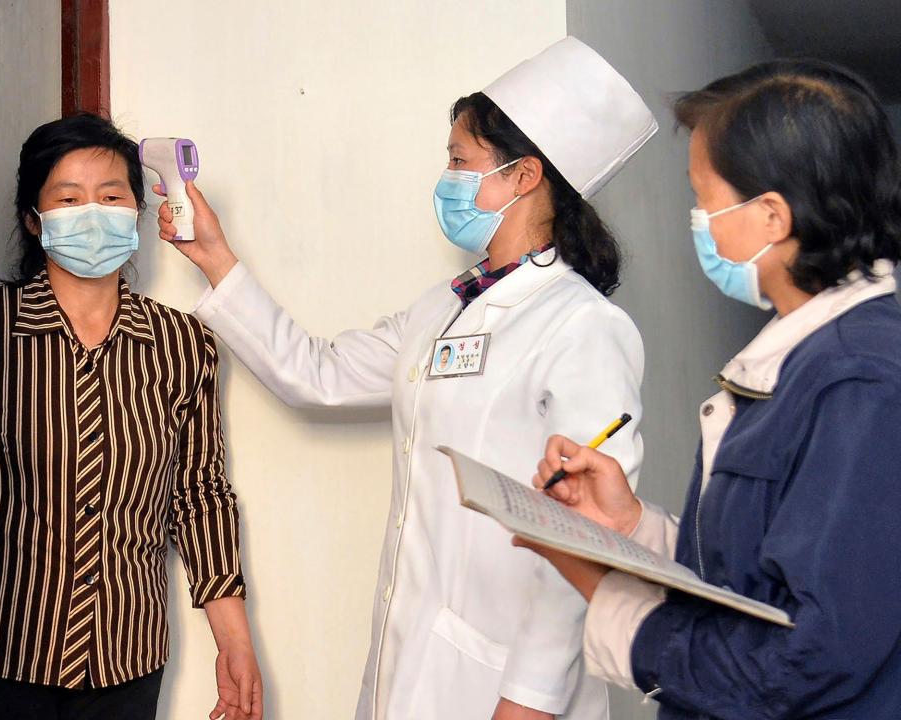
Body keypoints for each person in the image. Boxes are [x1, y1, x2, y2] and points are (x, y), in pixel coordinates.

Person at [158, 38, 656, 720]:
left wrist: (531, 700)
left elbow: (582, 536)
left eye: (459, 159)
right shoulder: (443, 307)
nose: (445, 176)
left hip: (509, 688)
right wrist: (216, 259)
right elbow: (317, 375)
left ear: (524, 176)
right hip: (409, 665)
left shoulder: (583, 326)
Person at [521, 59, 901, 719]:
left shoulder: (861, 379)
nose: (697, 219)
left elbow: (813, 656)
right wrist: (628, 526)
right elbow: (756, 578)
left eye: (704, 199)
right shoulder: (807, 357)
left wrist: (602, 589)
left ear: (772, 218)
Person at [0, 113, 263, 720]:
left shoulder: (181, 343)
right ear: (34, 219)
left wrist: (235, 643)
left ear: (139, 212)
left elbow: (199, 495)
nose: (93, 212)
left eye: (112, 195)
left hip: (124, 662)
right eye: (68, 198)